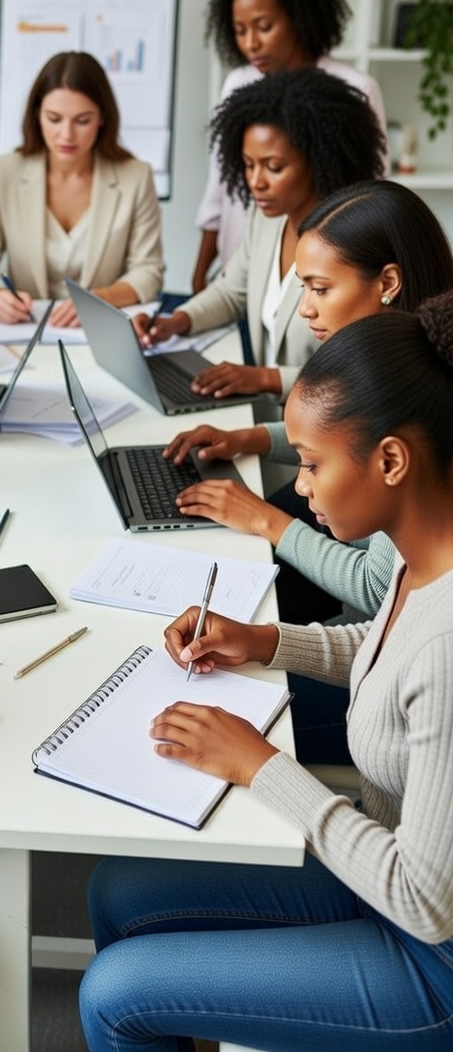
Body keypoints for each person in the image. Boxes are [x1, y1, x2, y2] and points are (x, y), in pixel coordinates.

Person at [80, 292, 453, 1051]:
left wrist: (262, 767)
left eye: (312, 463)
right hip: (381, 877)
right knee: (117, 891)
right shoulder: (422, 562)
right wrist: (261, 640)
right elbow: (383, 654)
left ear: (390, 459)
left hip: (432, 958)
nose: (299, 483)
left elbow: (426, 901)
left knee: (115, 995)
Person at [166, 180, 453, 621]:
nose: (304, 309)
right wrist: (250, 438)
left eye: (320, 289)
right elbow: (344, 431)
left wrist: (267, 521)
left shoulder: (414, 392)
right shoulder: (391, 353)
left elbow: (378, 586)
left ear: (388, 283)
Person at [133, 68, 386, 401]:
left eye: (274, 167)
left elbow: (359, 371)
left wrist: (266, 378)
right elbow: (231, 291)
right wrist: (176, 321)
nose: (256, 181)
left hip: (326, 433)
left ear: (319, 160)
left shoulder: (353, 243)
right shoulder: (268, 218)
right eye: (249, 165)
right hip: (273, 418)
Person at [191, 0, 389, 292]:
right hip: (239, 278)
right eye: (239, 30)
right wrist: (200, 274)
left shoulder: (353, 89)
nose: (251, 43)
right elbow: (219, 188)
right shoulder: (239, 84)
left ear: (299, 17)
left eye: (264, 27)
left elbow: (373, 197)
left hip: (318, 281)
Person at [0, 51, 164, 328]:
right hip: (26, 332)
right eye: (54, 119)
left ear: (103, 117)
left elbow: (148, 272)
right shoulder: (5, 173)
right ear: (37, 115)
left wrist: (96, 301)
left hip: (99, 332)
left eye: (82, 121)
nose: (66, 135)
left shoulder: (135, 177)